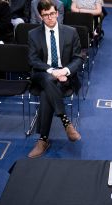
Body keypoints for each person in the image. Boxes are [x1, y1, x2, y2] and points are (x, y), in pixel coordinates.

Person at [27, 0, 84, 158]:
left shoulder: (70, 32)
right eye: (46, 15)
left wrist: (64, 71)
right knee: (48, 79)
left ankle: (43, 140)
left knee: (47, 92)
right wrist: (53, 71)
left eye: (52, 14)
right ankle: (66, 122)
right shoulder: (33, 34)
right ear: (41, 16)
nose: (50, 17)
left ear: (57, 13)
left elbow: (78, 58)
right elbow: (33, 60)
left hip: (65, 76)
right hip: (42, 74)